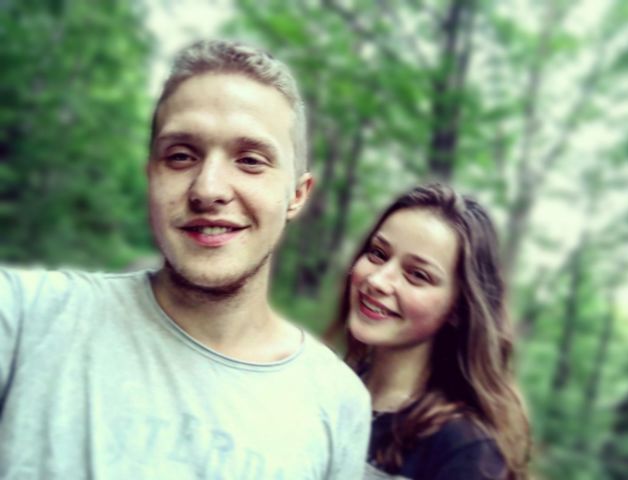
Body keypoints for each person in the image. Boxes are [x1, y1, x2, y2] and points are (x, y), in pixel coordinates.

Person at [0, 39, 371, 479]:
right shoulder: (29, 317)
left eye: (250, 160)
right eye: (180, 157)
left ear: (297, 194)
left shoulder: (337, 401)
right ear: (151, 176)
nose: (207, 189)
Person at [327, 183, 530, 479]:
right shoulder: (326, 390)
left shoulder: (465, 449)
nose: (378, 280)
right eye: (378, 253)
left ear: (458, 308)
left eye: (417, 275)